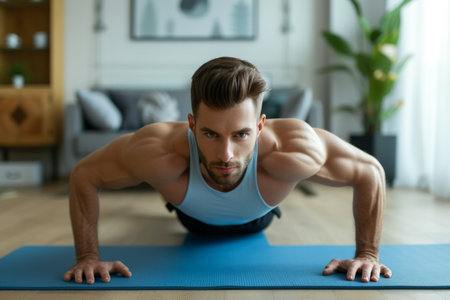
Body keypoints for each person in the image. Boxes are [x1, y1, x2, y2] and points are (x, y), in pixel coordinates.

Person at [64, 56, 392, 285]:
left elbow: (370, 171)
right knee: (169, 186)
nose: (226, 154)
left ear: (261, 125)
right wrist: (87, 257)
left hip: (258, 217)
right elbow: (84, 174)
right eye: (210, 134)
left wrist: (367, 254)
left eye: (241, 135)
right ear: (191, 124)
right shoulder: (158, 149)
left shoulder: (291, 148)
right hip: (190, 216)